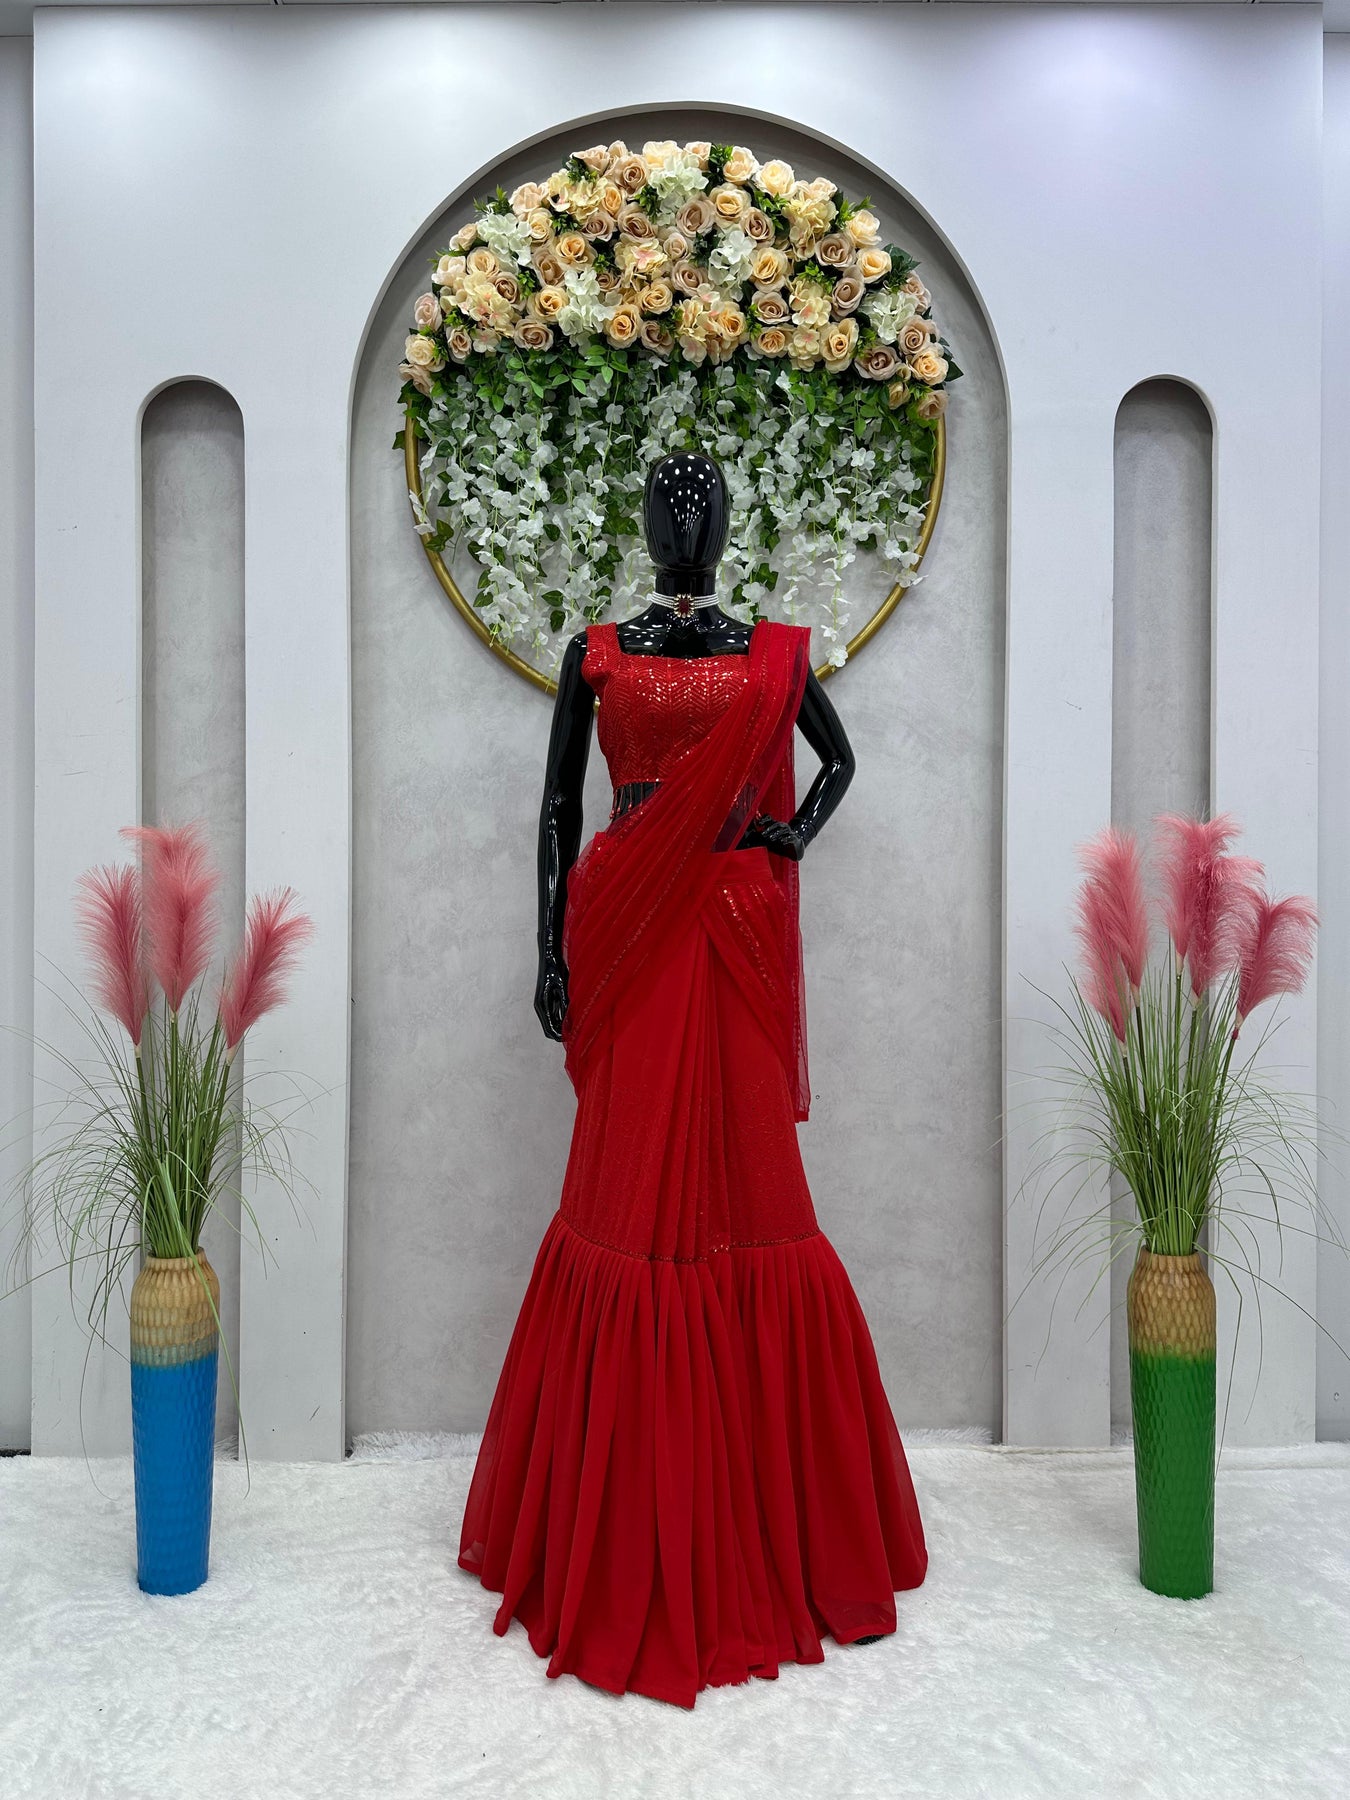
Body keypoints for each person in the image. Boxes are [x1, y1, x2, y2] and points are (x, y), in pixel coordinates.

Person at [458, 451, 927, 1708]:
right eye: (666, 503)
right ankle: (613, 1536)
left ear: (726, 523)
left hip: (731, 922)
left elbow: (838, 762)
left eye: (702, 503)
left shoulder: (774, 656)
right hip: (628, 930)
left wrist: (793, 833)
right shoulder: (596, 652)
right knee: (621, 1198)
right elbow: (557, 812)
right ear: (642, 524)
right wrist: (550, 948)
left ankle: (785, 1526)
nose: (683, 519)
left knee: (758, 1191)